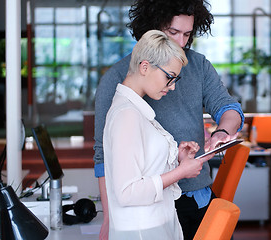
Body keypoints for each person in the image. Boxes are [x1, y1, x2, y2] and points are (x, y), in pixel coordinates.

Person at [93, 0, 244, 239]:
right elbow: (104, 156)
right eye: (173, 32)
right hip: (150, 207)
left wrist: (221, 134)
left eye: (187, 34)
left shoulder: (198, 65)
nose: (181, 42)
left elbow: (229, 108)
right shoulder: (118, 80)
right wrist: (110, 218)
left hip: (195, 196)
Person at [104, 30, 205, 239]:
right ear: (144, 66)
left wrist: (178, 159)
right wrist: (181, 172)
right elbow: (127, 192)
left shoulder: (135, 109)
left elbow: (144, 167)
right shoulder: (127, 114)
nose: (173, 86)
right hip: (143, 231)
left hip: (153, 226)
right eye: (169, 77)